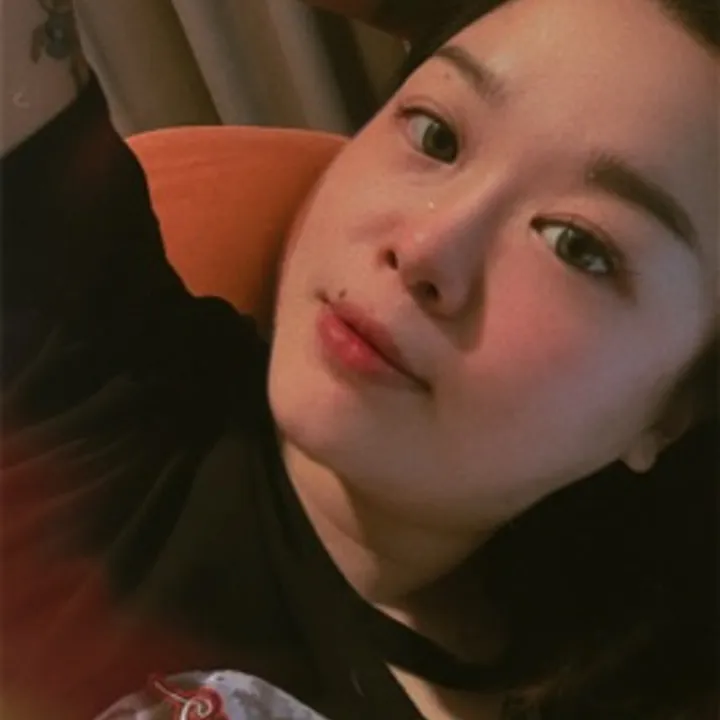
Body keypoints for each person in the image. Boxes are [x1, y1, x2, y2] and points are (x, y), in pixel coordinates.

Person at [1, 0, 717, 718]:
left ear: (674, 407)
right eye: (436, 135)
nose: (426, 248)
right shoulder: (99, 384)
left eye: (578, 246)